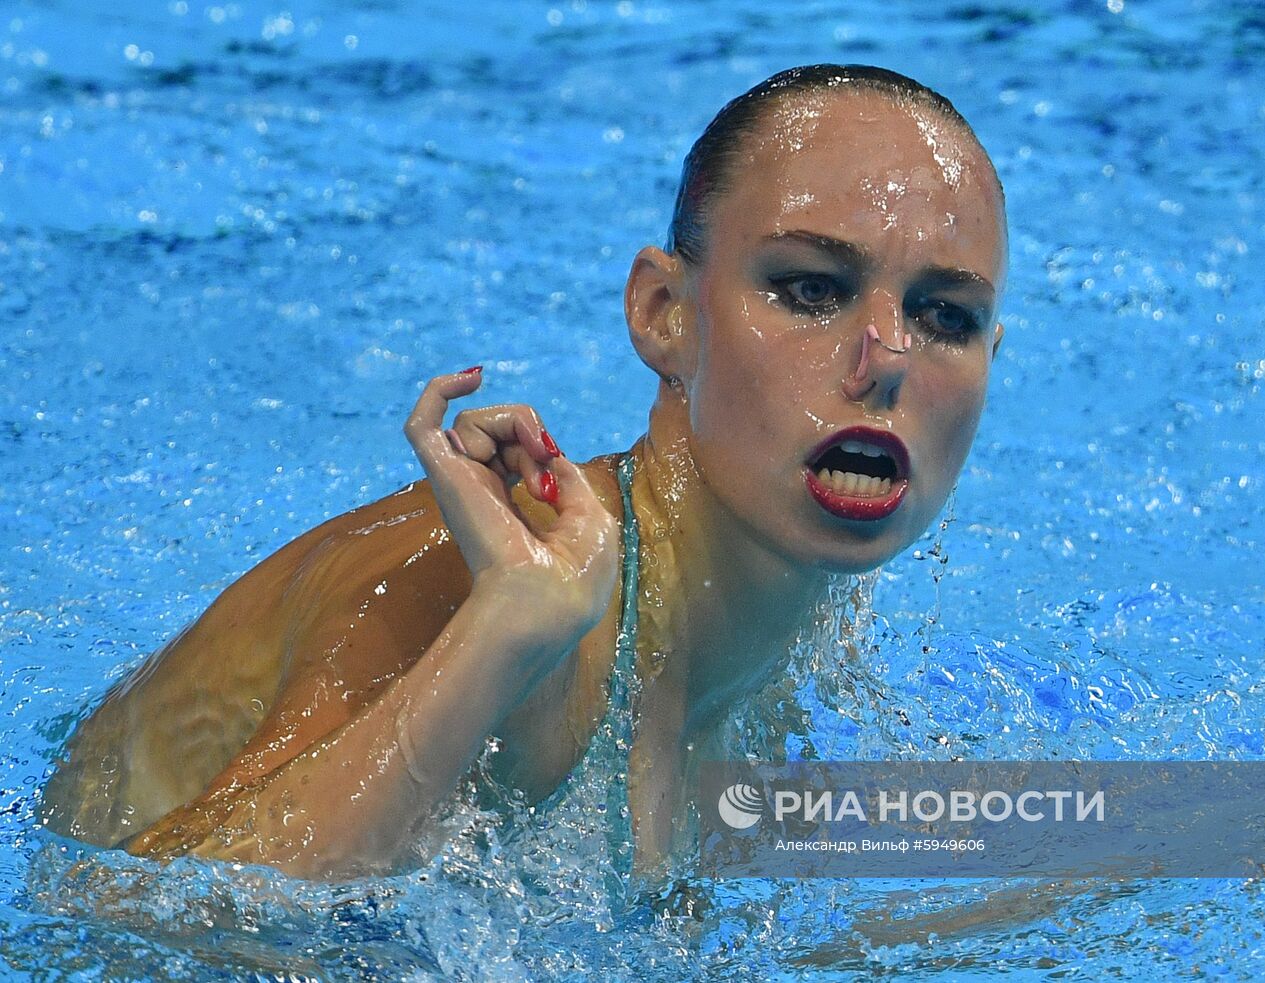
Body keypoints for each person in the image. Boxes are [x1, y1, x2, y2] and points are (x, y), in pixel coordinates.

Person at [40, 63, 1007, 883]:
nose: (885, 355)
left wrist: (1141, 834)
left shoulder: (798, 621)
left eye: (946, 316)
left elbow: (988, 867)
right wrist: (503, 634)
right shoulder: (490, 575)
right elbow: (126, 907)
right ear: (665, 313)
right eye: (810, 289)